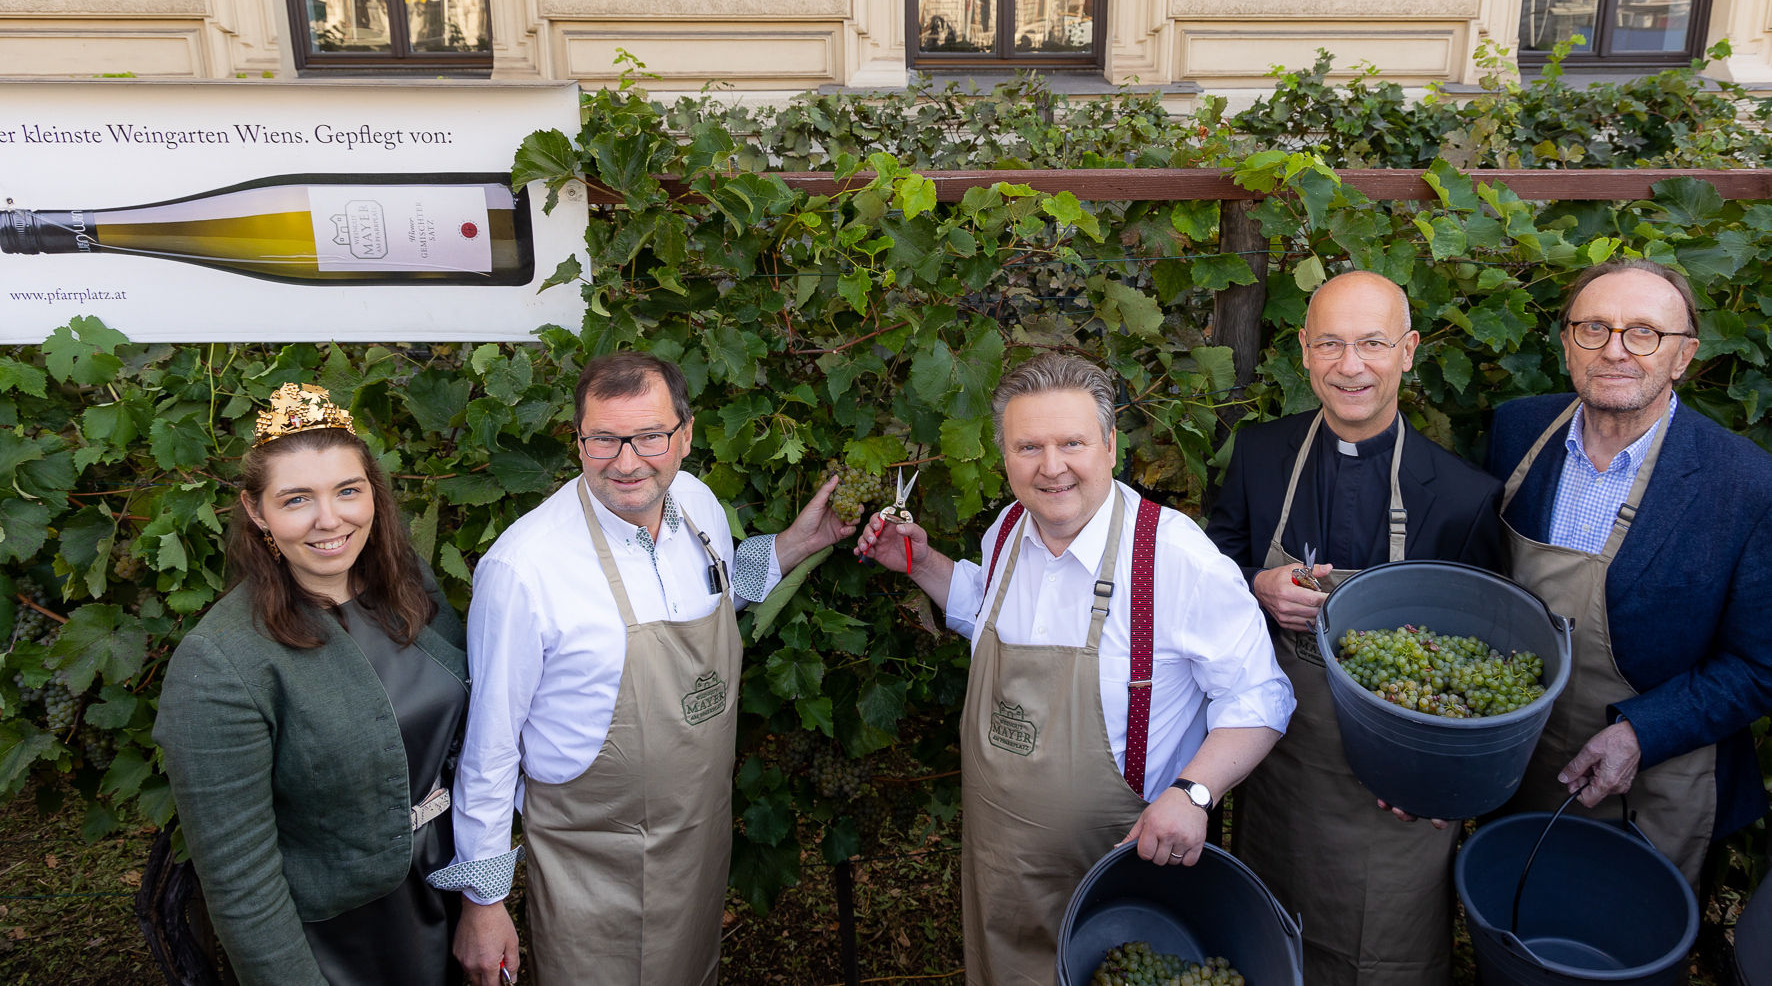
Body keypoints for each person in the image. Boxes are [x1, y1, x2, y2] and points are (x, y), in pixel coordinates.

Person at [859, 352, 1293, 986]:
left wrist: (1193, 794)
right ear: (1003, 454)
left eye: (1072, 443)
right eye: (1028, 446)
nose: (1051, 467)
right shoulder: (1007, 531)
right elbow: (994, 614)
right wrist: (924, 566)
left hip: (1119, 875)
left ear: (1111, 445)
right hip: (1000, 869)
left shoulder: (1173, 557)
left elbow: (1261, 695)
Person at [433, 351, 855, 986]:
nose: (626, 462)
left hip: (698, 841)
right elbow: (489, 751)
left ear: (685, 435)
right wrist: (483, 902)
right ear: (577, 440)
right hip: (593, 864)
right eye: (603, 439)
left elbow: (714, 595)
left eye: (650, 437)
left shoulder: (697, 505)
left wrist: (799, 543)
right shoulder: (524, 570)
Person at [1204, 269, 1505, 986]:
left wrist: (1441, 776)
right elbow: (1209, 573)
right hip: (1278, 767)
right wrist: (1254, 583)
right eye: (1331, 343)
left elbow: (1491, 653)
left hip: (1397, 793)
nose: (1351, 365)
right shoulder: (1258, 454)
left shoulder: (1464, 496)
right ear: (1304, 351)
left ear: (1409, 350)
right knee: (1266, 941)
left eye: (1372, 342)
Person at [155, 382, 468, 986]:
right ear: (257, 512)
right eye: (297, 499)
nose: (331, 520)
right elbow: (242, 882)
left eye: (348, 491)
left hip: (447, 893)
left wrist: (484, 898)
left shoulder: (410, 590)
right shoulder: (221, 664)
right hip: (340, 940)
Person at [1486, 258, 1772, 886]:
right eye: (1593, 329)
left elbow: (1760, 665)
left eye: (1644, 332)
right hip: (1518, 745)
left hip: (1656, 776)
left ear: (1683, 356)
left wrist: (1641, 735)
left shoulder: (1746, 484)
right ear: (1567, 344)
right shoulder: (1518, 431)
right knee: (1513, 910)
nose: (1615, 350)